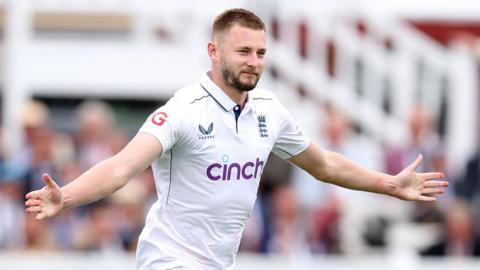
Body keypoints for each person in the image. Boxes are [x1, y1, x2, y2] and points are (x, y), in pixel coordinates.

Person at [25, 8, 448, 270]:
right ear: (214, 51)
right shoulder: (184, 109)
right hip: (168, 260)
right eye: (243, 51)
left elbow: (326, 165)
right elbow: (121, 167)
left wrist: (389, 183)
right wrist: (69, 197)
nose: (253, 62)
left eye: (261, 53)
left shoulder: (269, 111)